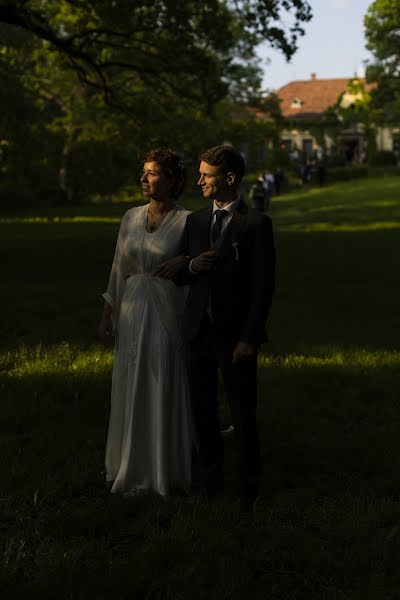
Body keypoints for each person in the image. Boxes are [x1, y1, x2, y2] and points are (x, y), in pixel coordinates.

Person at [177, 145, 275, 506]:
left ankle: (249, 483)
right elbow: (184, 272)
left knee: (241, 409)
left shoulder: (256, 224)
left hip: (235, 335)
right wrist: (190, 267)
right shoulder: (197, 221)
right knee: (202, 409)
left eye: (207, 174)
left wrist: (249, 337)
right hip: (198, 330)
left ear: (229, 179)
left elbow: (263, 287)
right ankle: (210, 480)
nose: (199, 180)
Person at [98, 148, 192, 497]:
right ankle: (130, 462)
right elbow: (117, 268)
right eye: (144, 172)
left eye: (152, 172)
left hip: (166, 313)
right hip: (132, 309)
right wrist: (108, 312)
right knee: (130, 381)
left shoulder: (188, 220)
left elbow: (203, 260)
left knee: (161, 381)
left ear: (171, 178)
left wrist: (184, 260)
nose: (144, 178)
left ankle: (161, 466)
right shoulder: (130, 217)